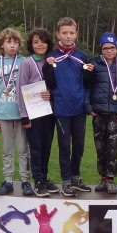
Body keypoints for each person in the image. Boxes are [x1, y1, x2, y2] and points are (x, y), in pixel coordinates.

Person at [43, 17, 93, 196]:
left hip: (79, 108)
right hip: (62, 109)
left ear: (76, 34)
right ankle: (66, 180)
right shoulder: (52, 57)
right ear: (58, 34)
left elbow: (87, 83)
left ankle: (75, 177)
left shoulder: (82, 56)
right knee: (64, 145)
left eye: (71, 33)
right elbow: (49, 83)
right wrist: (48, 68)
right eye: (64, 33)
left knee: (79, 145)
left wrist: (90, 73)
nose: (68, 36)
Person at [0, 28, 32, 196]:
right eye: (8, 42)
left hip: (21, 114)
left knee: (23, 149)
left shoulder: (25, 61)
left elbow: (30, 86)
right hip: (3, 114)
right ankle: (8, 181)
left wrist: (29, 112)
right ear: (2, 44)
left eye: (15, 42)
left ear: (19, 44)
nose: (12, 45)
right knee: (7, 150)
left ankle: (25, 181)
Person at [18, 28, 60, 197]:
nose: (40, 44)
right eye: (36, 42)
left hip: (49, 112)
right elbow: (21, 89)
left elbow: (57, 85)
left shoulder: (52, 62)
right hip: (32, 113)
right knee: (36, 148)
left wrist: (52, 94)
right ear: (31, 45)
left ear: (48, 43)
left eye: (43, 41)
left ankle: (44, 177)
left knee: (46, 147)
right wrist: (24, 115)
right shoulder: (27, 63)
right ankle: (38, 181)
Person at [85, 32, 117, 195]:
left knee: (112, 147)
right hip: (98, 113)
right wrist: (88, 107)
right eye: (106, 48)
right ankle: (102, 177)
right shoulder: (93, 64)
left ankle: (110, 179)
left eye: (112, 47)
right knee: (100, 147)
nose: (109, 50)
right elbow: (87, 87)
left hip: (115, 113)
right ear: (101, 49)